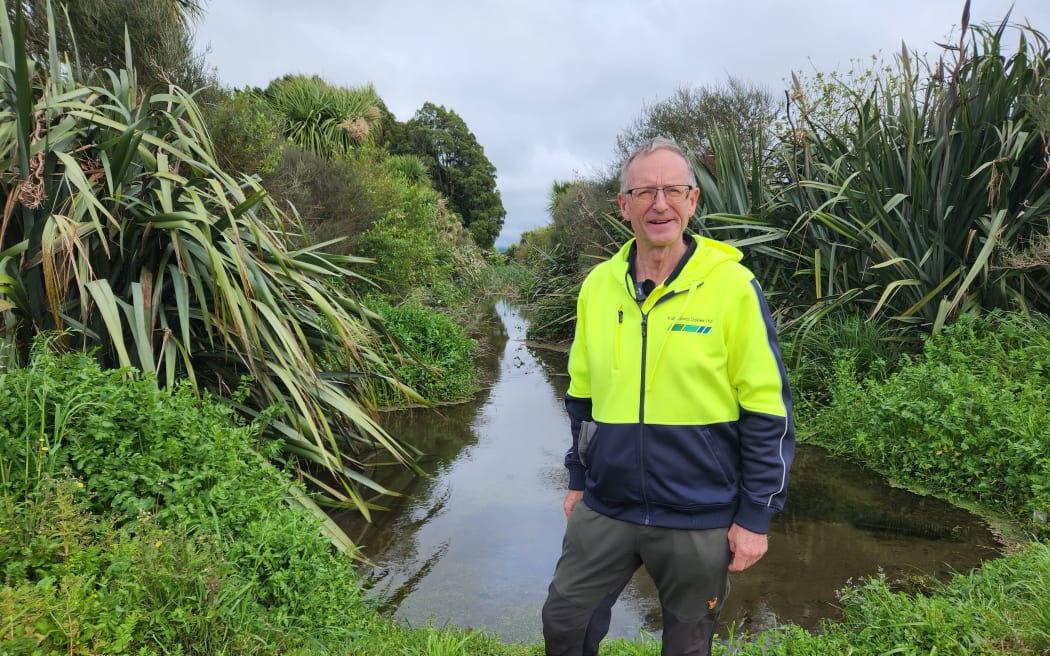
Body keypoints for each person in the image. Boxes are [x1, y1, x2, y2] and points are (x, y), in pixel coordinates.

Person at [541, 137, 795, 656]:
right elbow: (582, 396)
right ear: (624, 205)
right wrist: (577, 476)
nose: (660, 204)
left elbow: (768, 408)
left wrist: (755, 516)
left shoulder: (733, 286)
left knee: (687, 643)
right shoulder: (597, 287)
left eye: (673, 190)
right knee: (565, 623)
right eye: (644, 191)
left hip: (698, 512)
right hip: (607, 505)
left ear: (693, 200)